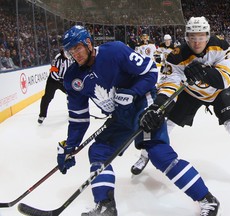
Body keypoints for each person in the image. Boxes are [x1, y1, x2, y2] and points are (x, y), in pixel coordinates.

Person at [59, 25, 221, 216]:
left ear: (88, 43)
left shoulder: (115, 51)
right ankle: (105, 206)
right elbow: (78, 118)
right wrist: (70, 146)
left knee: (158, 152)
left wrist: (133, 92)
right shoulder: (72, 77)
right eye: (71, 51)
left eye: (77, 48)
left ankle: (207, 199)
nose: (75, 54)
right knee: (99, 151)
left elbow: (151, 72)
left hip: (143, 104)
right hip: (120, 115)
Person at [135, 16, 230, 195]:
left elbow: (224, 80)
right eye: (193, 38)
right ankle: (145, 155)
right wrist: (158, 105)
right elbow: (170, 85)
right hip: (189, 93)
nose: (197, 42)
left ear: (208, 35)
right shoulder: (176, 55)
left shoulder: (220, 45)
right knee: (164, 123)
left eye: (201, 37)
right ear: (187, 37)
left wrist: (203, 72)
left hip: (218, 93)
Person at [37, 48, 72, 124]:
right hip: (53, 81)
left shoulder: (70, 59)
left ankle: (72, 111)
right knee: (47, 97)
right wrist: (59, 79)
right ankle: (42, 115)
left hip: (63, 81)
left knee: (71, 94)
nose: (69, 54)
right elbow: (53, 71)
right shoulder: (58, 58)